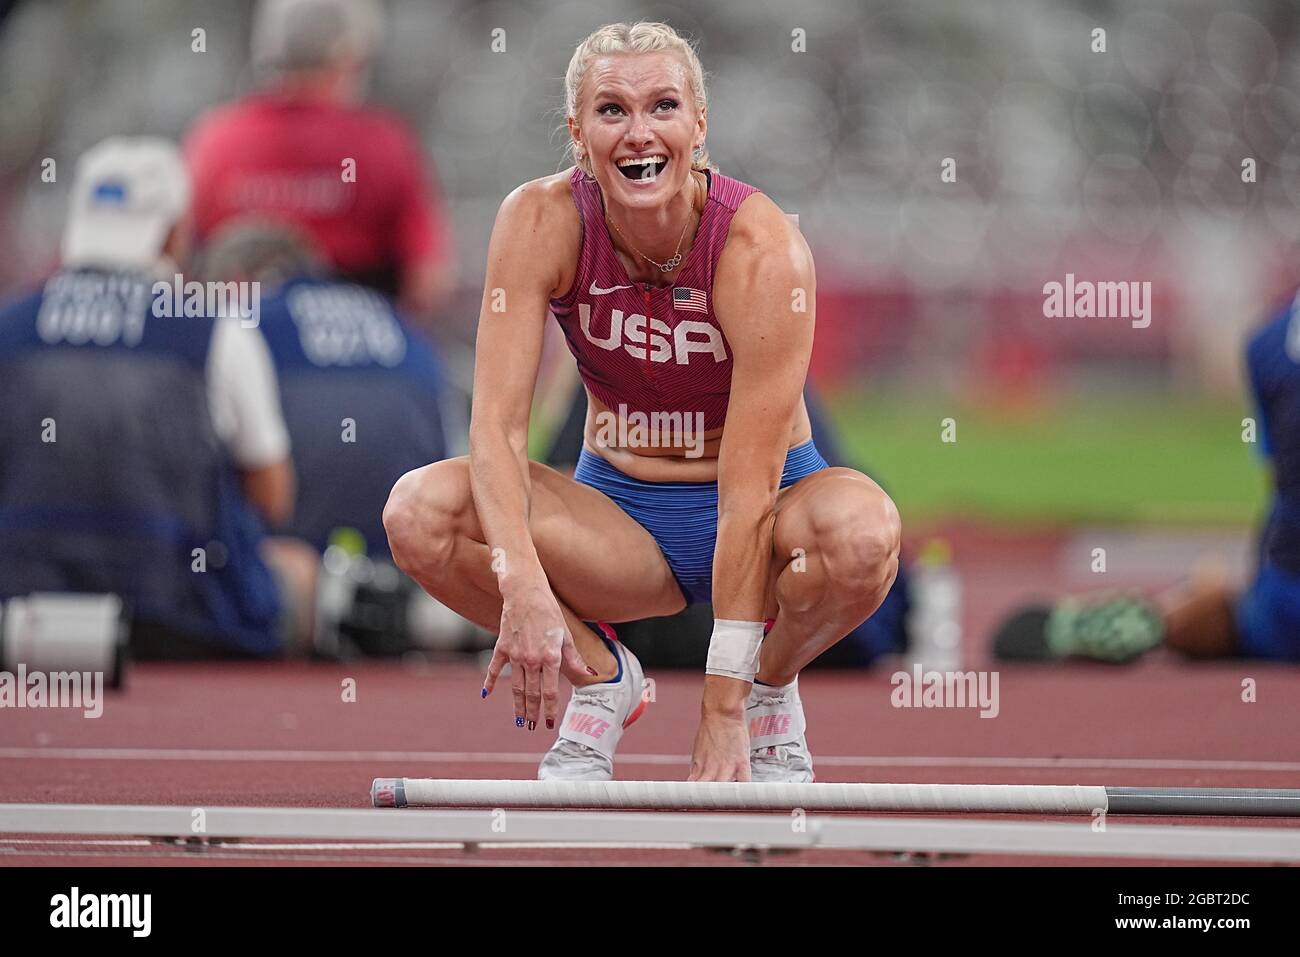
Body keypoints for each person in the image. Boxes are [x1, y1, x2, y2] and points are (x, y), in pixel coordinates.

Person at [383, 22, 902, 784]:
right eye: (611, 110)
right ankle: (603, 680)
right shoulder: (539, 221)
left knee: (864, 536)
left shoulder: (760, 248)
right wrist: (522, 581)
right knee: (417, 512)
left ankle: (769, 686)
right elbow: (496, 428)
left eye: (662, 106)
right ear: (577, 132)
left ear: (699, 125)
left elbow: (749, 486)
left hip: (767, 507)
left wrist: (723, 707)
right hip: (622, 521)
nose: (638, 133)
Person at [0, 136, 310, 658]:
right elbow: (272, 497)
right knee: (301, 573)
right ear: (175, 233)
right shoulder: (215, 328)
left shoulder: (10, 326)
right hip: (182, 615)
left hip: (20, 615)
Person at [992, 291, 1300, 663]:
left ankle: (1164, 619)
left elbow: (1281, 488)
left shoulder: (1267, 343)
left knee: (1221, 611)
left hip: (1284, 602)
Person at [184, 0, 456, 322]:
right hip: (353, 351)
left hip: (237, 337)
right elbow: (429, 281)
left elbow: (180, 264)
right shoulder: (383, 144)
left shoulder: (214, 141)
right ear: (350, 56)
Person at [200, 221, 451, 561]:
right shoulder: (403, 325)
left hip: (288, 553)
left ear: (234, 281)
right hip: (413, 551)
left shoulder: (240, 326)